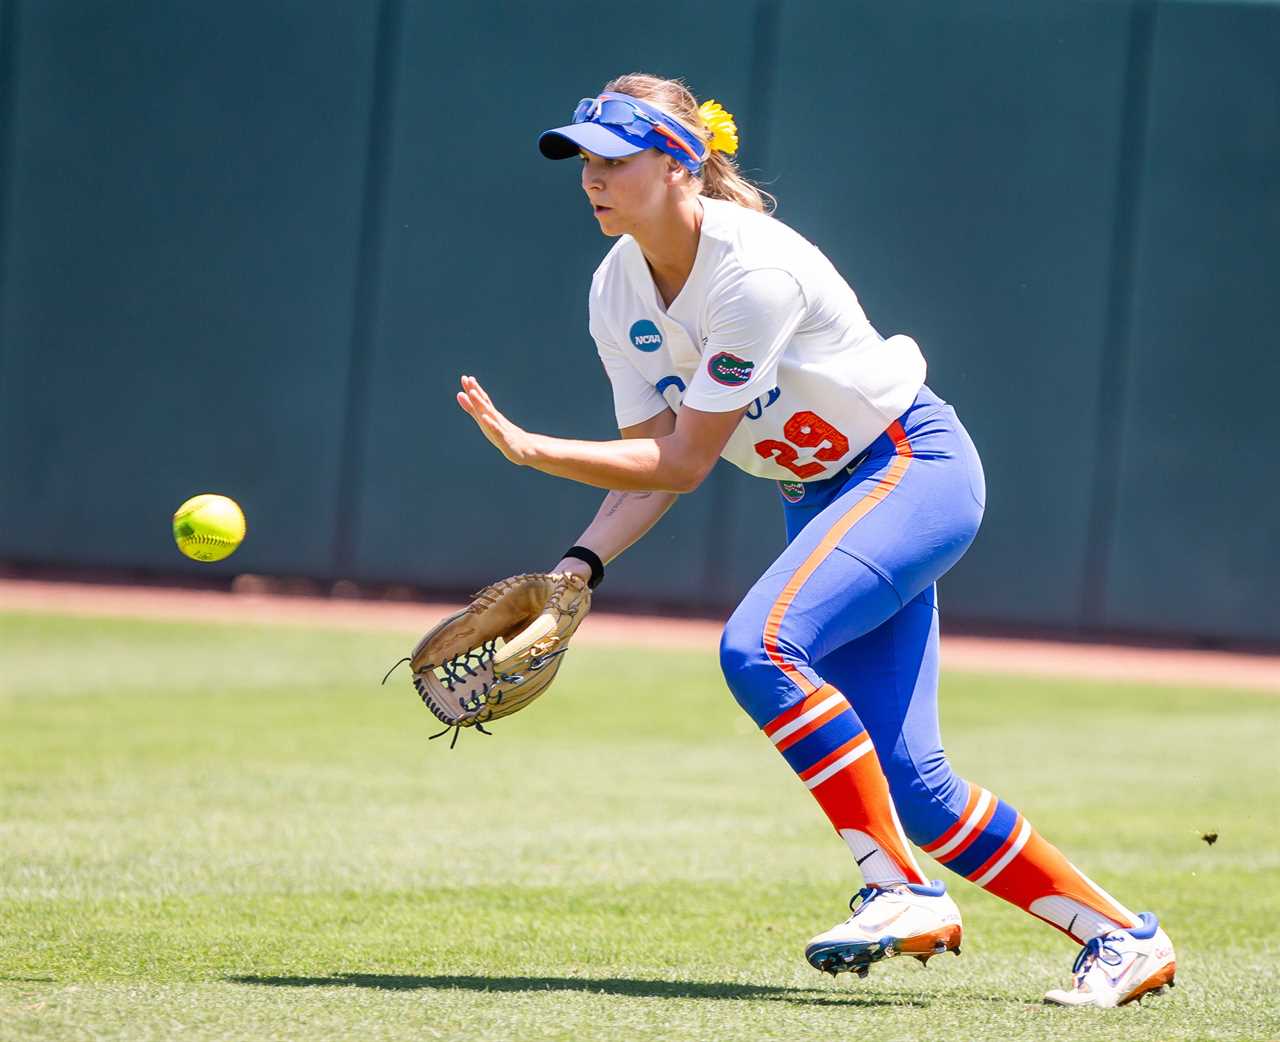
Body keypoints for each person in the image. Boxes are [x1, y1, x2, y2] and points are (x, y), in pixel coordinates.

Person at [454, 72, 1176, 1008]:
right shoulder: (614, 286)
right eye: (582, 160)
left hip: (909, 468)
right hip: (822, 493)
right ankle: (1121, 938)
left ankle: (898, 888)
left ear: (680, 163)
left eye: (613, 159)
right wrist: (576, 572)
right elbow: (651, 466)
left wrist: (533, 449)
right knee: (914, 784)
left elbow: (684, 464)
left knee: (759, 649)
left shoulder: (752, 271)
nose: (591, 177)